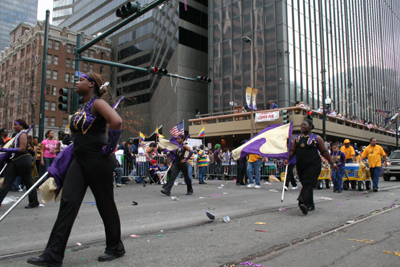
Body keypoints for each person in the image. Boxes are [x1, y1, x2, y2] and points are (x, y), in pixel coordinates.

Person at [27, 73, 125, 266]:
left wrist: (109, 147)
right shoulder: (82, 107)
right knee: (68, 202)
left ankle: (115, 247)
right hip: (78, 161)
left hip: (98, 160)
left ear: (91, 84)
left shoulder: (98, 103)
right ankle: (53, 254)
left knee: (105, 205)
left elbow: (117, 121)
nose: (76, 82)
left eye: (80, 80)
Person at [284, 120, 337, 215]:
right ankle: (311, 204)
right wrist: (287, 159)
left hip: (313, 165)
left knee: (308, 183)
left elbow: (324, 152)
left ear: (310, 126)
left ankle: (303, 202)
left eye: (305, 125)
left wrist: (332, 163)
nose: (302, 126)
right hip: (301, 165)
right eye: (301, 125)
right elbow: (292, 151)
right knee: (305, 184)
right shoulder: (297, 138)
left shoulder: (317, 138)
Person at [0, 119, 39, 208]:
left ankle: (34, 202)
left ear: (21, 126)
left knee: (28, 181)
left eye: (15, 125)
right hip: (15, 160)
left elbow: (22, 149)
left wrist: (6, 149)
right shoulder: (18, 135)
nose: (14, 127)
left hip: (23, 160)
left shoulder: (23, 134)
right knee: (7, 182)